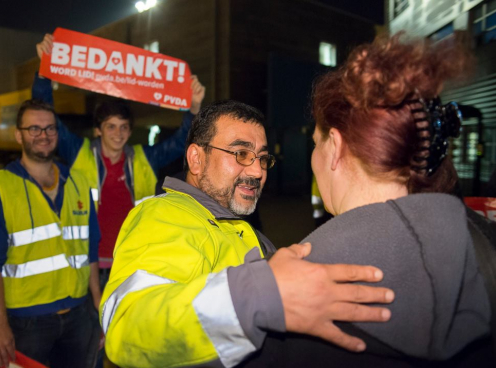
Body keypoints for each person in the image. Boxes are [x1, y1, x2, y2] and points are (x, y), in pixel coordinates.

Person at [240, 34, 493, 367]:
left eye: (316, 143)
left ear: (336, 146)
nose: (313, 158)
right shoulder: (485, 239)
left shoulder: (295, 287)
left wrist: (252, 297)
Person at [100, 99, 395, 367]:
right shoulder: (165, 216)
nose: (257, 171)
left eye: (262, 158)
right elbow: (128, 324)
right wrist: (261, 295)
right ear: (196, 159)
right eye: (240, 153)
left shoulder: (234, 221)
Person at [34, 34, 205, 278]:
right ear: (98, 130)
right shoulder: (77, 151)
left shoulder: (143, 158)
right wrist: (44, 73)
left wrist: (194, 108)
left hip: (132, 263)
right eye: (111, 126)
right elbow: (45, 118)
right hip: (88, 266)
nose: (118, 133)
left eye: (124, 127)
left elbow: (181, 143)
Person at [0, 99, 102, 368]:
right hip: (27, 323)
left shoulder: (78, 182)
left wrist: (99, 307)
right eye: (34, 129)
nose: (43, 135)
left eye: (50, 129)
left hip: (79, 316)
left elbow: (90, 251)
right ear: (18, 135)